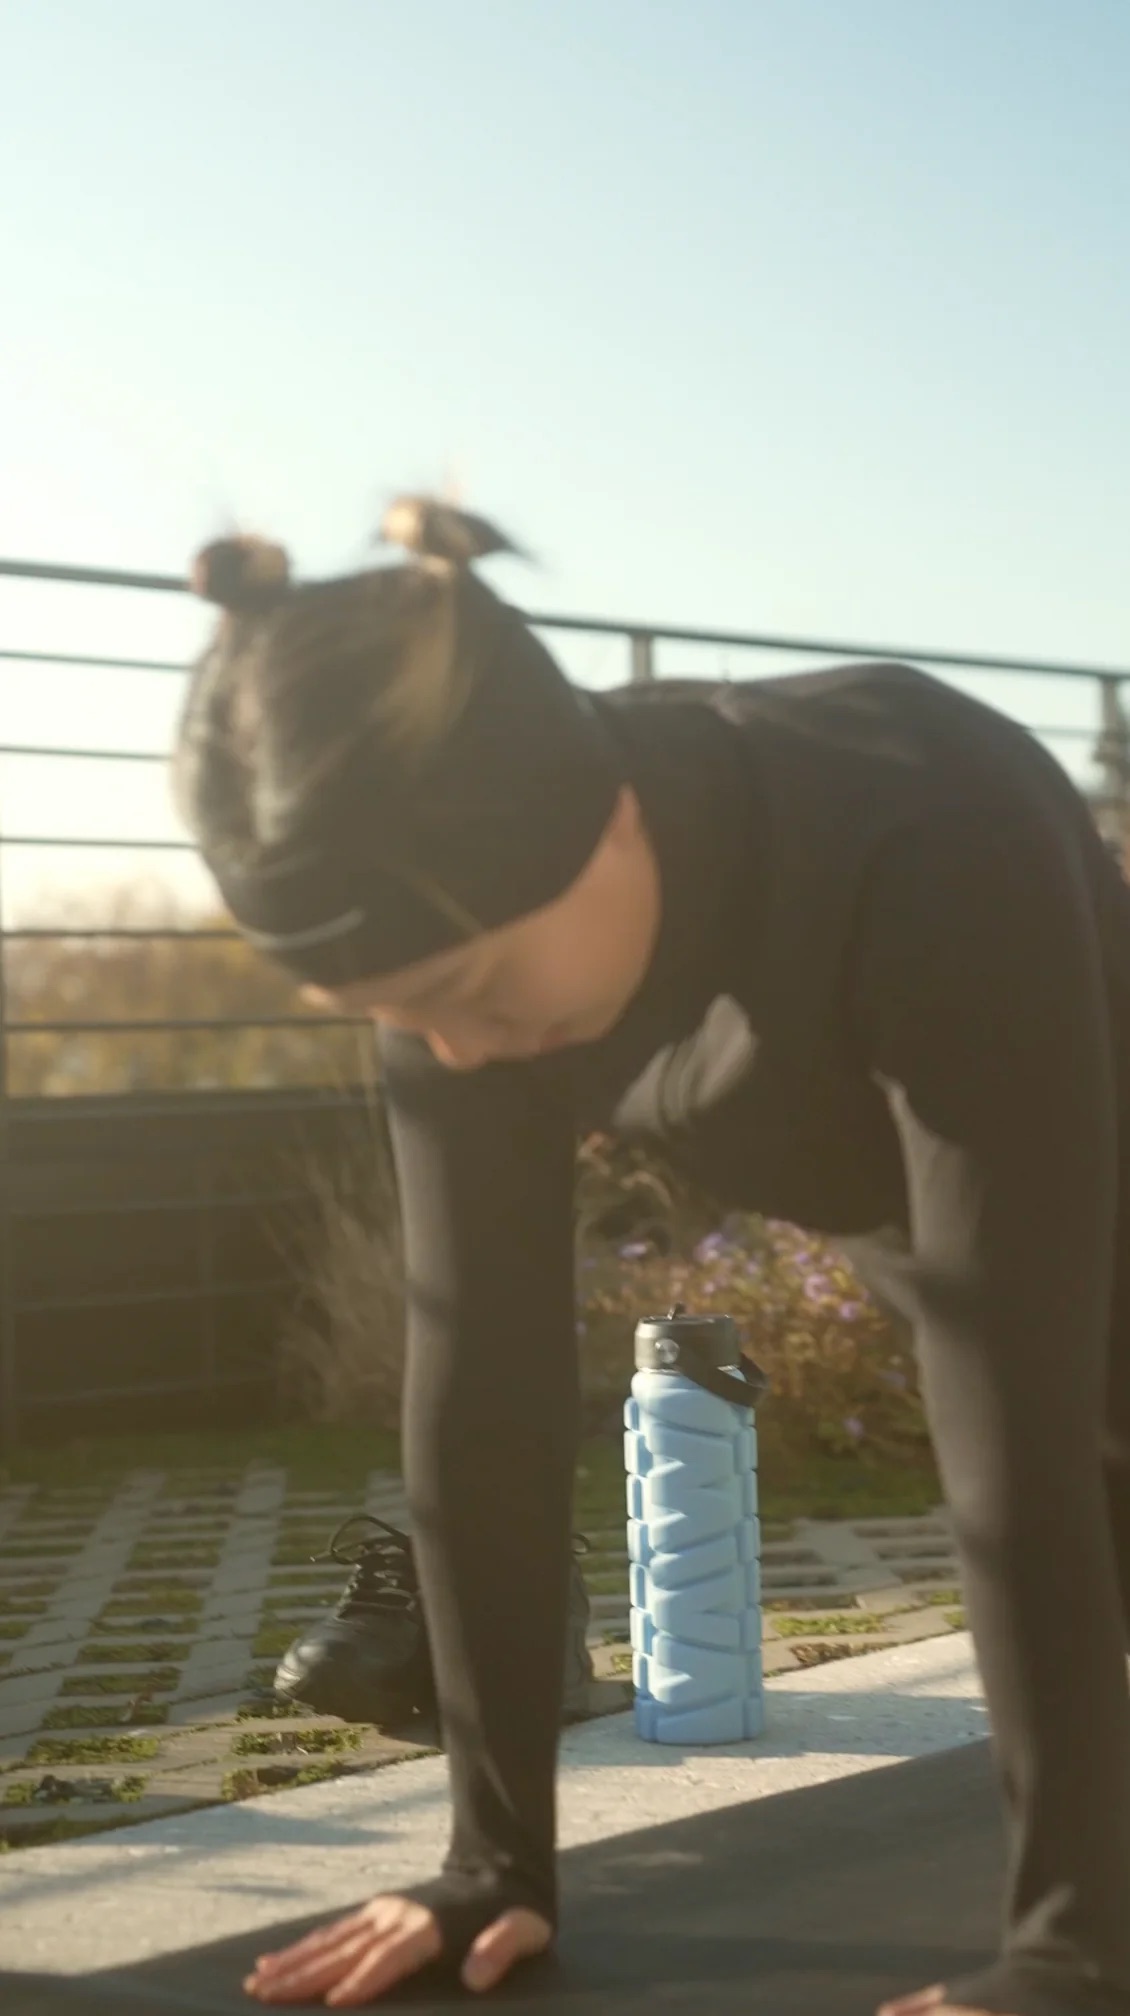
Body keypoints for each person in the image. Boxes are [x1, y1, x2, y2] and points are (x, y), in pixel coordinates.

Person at [174, 496, 1130, 2016]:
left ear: (604, 819)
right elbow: (477, 1385)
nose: (456, 1046)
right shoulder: (463, 955)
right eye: (396, 1009)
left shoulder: (923, 819)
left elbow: (1017, 1425)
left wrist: (1073, 1953)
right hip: (926, 1233)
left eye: (471, 987)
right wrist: (493, 1861)